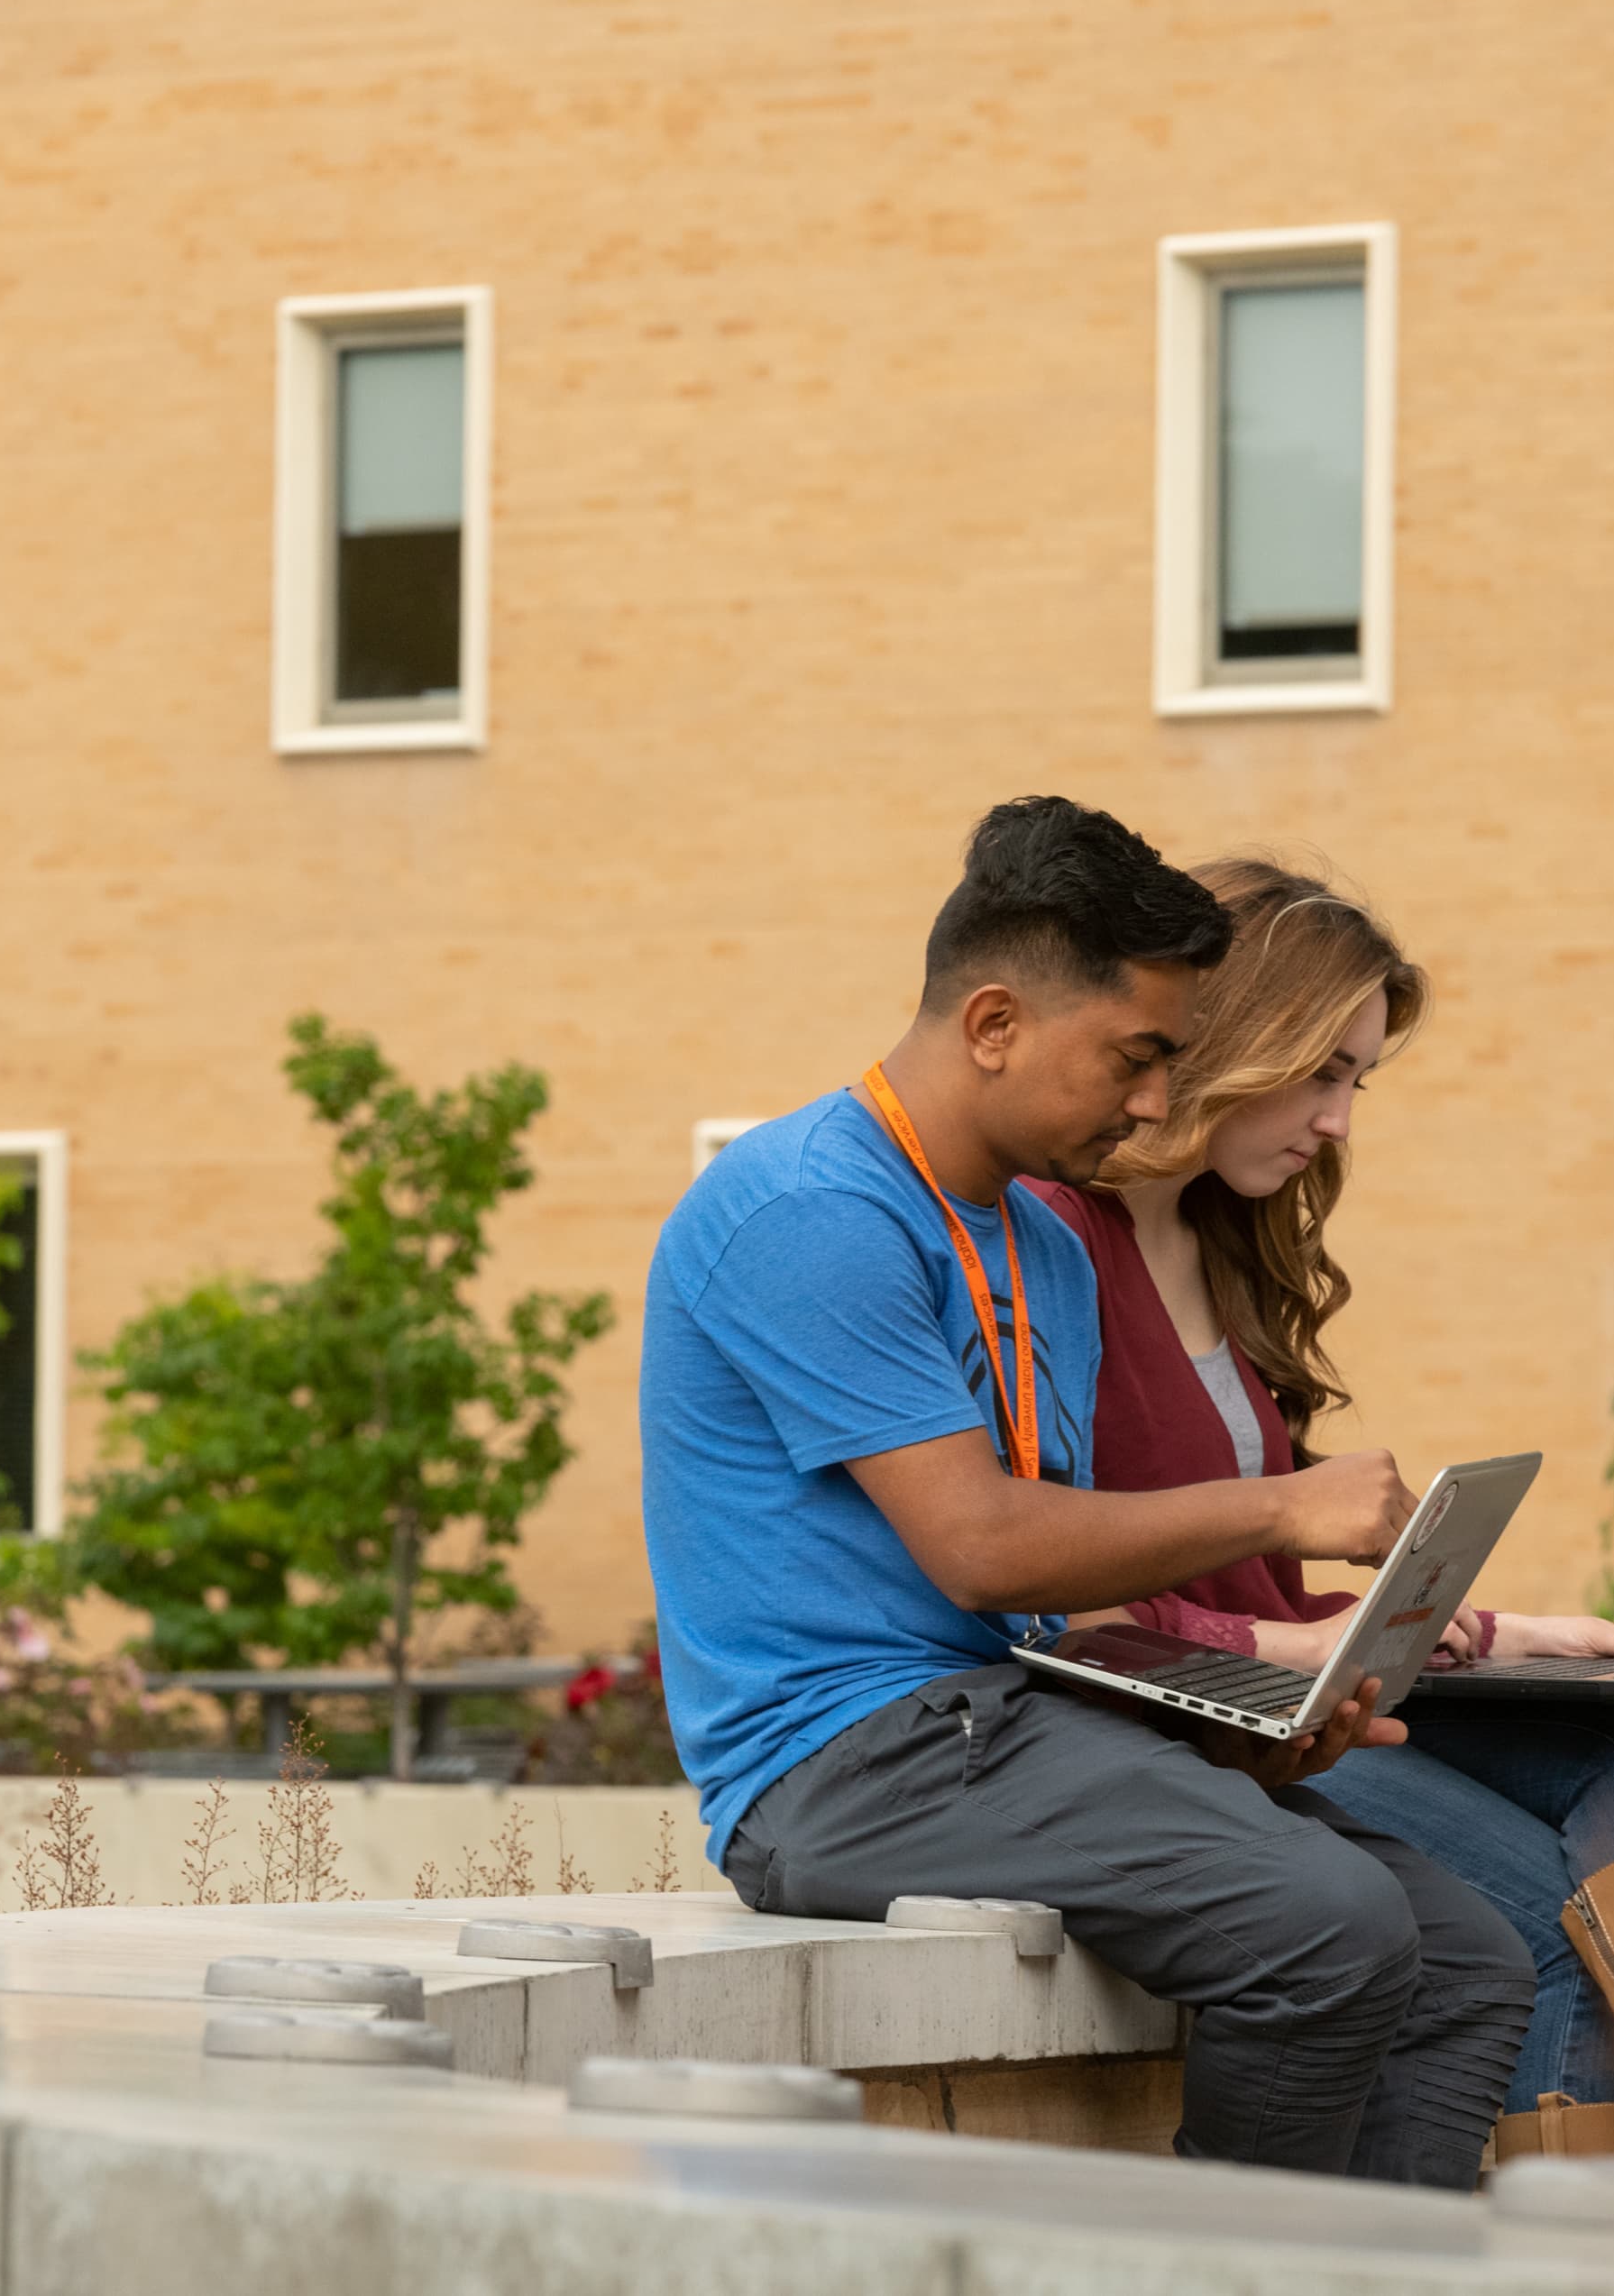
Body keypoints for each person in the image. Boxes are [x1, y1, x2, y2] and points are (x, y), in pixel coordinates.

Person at [1025, 857, 1614, 2247]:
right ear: (1238, 1042)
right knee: (1538, 1908)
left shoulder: (1222, 1252)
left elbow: (1269, 1577)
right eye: (1325, 1074)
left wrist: (1497, 1630)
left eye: (1359, 1080)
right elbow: (1075, 1584)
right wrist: (1293, 1647)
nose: (1339, 1120)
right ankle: (1613, 2247)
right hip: (1190, 1729)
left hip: (1301, 1682)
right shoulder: (1061, 1246)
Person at [644, 797, 1533, 2188]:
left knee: (1469, 1956)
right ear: (993, 1023)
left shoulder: (1040, 1252)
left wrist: (1230, 1726)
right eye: (1135, 1057)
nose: (1156, 1102)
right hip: (837, 1765)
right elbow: (985, 1551)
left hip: (1007, 1720)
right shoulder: (806, 1211)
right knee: (1330, 1924)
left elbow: (1056, 1593)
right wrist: (1282, 1510)